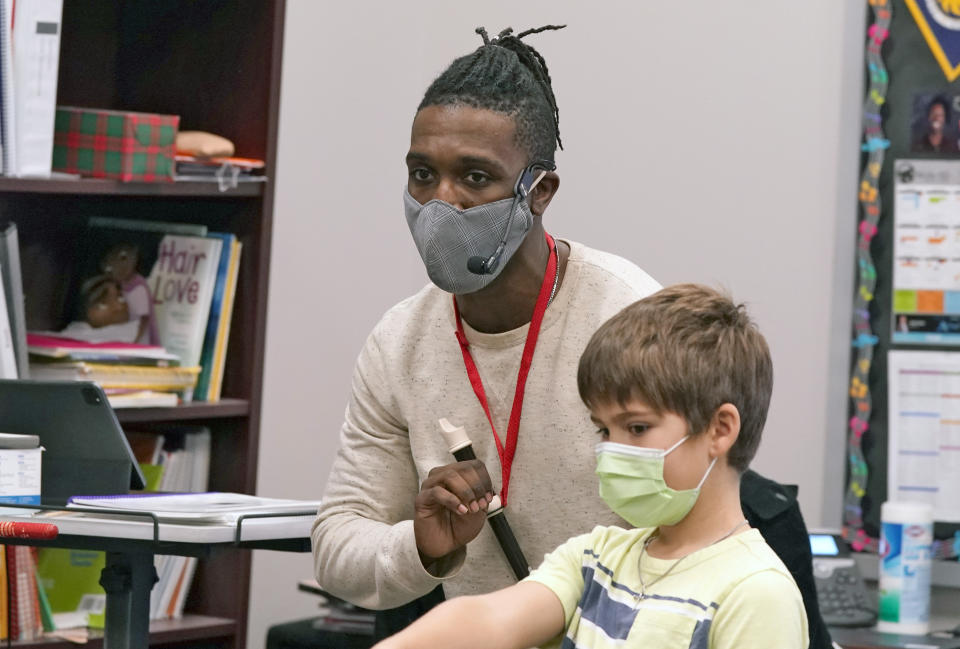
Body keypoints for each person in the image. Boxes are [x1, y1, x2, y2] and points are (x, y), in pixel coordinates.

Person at [312, 23, 659, 615]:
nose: (441, 203)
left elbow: (701, 526)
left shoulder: (630, 320)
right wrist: (421, 544)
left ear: (540, 190)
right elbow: (339, 541)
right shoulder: (400, 343)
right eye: (422, 174)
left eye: (474, 177)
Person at [370, 284, 809, 649]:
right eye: (604, 430)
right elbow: (487, 620)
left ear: (720, 429)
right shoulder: (598, 557)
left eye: (637, 428)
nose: (613, 451)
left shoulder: (756, 592)